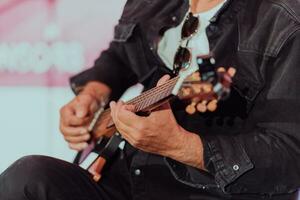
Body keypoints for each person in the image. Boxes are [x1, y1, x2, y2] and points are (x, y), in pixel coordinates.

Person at [0, 0, 300, 199]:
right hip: (125, 177)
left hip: (209, 191)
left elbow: (290, 156)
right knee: (28, 179)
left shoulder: (284, 22)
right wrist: (94, 93)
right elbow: (119, 57)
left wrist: (181, 145)